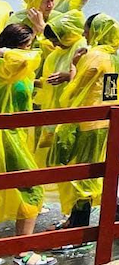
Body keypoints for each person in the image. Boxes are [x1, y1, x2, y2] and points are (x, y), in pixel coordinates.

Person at [49, 13, 119, 228]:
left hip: (87, 123)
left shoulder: (95, 56)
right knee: (95, 170)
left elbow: (76, 88)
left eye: (88, 30)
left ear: (97, 30)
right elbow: (110, 93)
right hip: (106, 122)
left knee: (82, 173)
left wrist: (73, 69)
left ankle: (79, 227)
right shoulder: (117, 58)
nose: (85, 34)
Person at [0, 24, 46, 241]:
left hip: (14, 134)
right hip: (5, 136)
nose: (31, 50)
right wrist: (7, 52)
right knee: (32, 186)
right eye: (27, 46)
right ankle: (22, 251)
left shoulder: (16, 68)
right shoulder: (7, 66)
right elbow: (26, 60)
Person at [34, 10, 87, 168]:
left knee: (70, 155)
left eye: (56, 40)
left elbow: (90, 80)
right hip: (56, 109)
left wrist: (68, 76)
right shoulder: (55, 55)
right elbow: (48, 81)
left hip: (76, 110)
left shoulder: (82, 47)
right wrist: (33, 82)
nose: (54, 45)